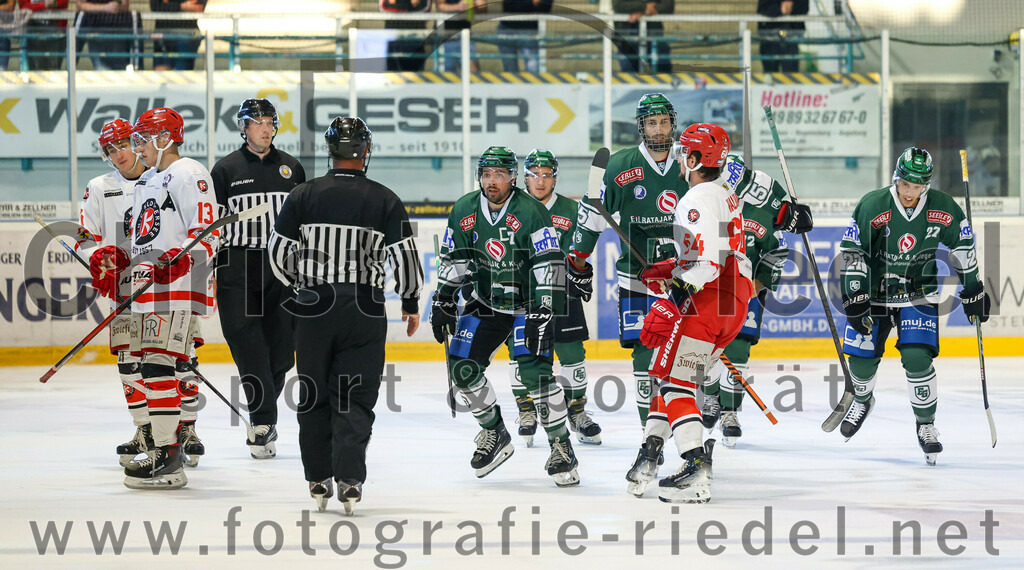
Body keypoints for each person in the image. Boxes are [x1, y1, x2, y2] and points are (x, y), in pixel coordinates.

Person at [268, 117, 424, 514]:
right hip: (365, 306)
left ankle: (317, 477)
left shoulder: (303, 195)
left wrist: (300, 287)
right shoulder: (384, 198)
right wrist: (409, 302)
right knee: (355, 395)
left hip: (314, 305)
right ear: (366, 151)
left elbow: (276, 255)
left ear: (330, 150)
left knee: (314, 392)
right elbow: (406, 259)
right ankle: (350, 479)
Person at [430, 146, 576, 486]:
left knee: (536, 376)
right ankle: (494, 431)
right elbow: (454, 257)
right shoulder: (465, 209)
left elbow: (549, 261)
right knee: (462, 369)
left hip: (528, 305)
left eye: (499, 174)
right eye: (486, 174)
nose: (492, 181)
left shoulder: (533, 211)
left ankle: (561, 445)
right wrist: (444, 299)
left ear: (513, 177)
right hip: (486, 301)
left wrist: (544, 308)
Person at [838, 147, 990, 466]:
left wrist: (973, 288)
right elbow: (853, 251)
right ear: (896, 178)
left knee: (917, 358)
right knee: (861, 363)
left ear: (927, 185)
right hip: (875, 293)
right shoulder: (873, 204)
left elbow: (963, 245)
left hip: (918, 293)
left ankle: (926, 426)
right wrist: (854, 296)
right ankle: (863, 400)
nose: (909, 192)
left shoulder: (943, 208)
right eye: (905, 184)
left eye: (916, 186)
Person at [627, 123, 753, 504]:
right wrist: (672, 268)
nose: (681, 157)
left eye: (685, 152)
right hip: (734, 302)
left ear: (697, 159)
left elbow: (708, 261)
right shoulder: (725, 195)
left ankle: (695, 464)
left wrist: (675, 293)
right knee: (672, 373)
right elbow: (715, 252)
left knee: (674, 385)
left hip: (709, 299)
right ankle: (650, 453)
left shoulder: (694, 197)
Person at [124, 107, 218, 489]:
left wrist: (177, 264)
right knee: (152, 366)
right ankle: (168, 450)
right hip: (149, 290)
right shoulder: (149, 179)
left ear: (164, 138)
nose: (138, 148)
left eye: (143, 139)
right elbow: (146, 237)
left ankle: (167, 459)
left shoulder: (189, 173)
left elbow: (208, 234)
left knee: (159, 366)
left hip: (174, 290)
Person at [211, 98, 306, 460]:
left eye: (270, 122)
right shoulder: (225, 170)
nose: (265, 128)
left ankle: (262, 411)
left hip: (283, 265)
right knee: (247, 342)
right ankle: (263, 420)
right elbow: (213, 225)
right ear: (244, 127)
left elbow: (304, 220)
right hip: (240, 264)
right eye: (257, 122)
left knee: (282, 351)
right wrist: (210, 271)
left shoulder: (291, 168)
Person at [699, 155, 793, 448]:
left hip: (745, 286)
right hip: (707, 285)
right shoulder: (700, 199)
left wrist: (760, 282)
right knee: (706, 347)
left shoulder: (762, 206)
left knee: (738, 348)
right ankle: (711, 395)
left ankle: (730, 411)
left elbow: (778, 248)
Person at [508, 149, 601, 447]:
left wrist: (581, 270)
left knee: (572, 354)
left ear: (555, 178)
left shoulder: (571, 210)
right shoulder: (513, 207)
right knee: (521, 354)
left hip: (562, 292)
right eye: (534, 174)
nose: (540, 180)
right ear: (525, 177)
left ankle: (576, 411)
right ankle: (527, 410)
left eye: (546, 175)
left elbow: (581, 249)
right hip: (523, 294)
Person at [79, 119, 151, 467]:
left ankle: (184, 429)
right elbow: (84, 237)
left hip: (163, 284)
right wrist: (97, 259)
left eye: (122, 145)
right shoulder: (98, 186)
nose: (118, 155)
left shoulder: (161, 177)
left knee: (175, 360)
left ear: (135, 142)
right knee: (128, 361)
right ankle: (144, 429)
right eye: (110, 150)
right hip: (121, 289)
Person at [74, 0, 141, 71]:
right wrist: (104, 8)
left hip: (116, 26)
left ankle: (138, 68)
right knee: (80, 18)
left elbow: (125, 6)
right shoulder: (84, 17)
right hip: (94, 26)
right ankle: (71, 66)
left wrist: (115, 7)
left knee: (134, 16)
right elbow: (80, 5)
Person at [612, 0, 673, 73]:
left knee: (663, 71)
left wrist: (643, 11)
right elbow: (618, 5)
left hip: (653, 37)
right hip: (627, 37)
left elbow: (668, 6)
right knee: (629, 74)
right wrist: (645, 7)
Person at [497, 0, 552, 73]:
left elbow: (544, 9)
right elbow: (509, 6)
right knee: (510, 69)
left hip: (530, 31)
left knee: (533, 67)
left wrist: (523, 6)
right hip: (507, 29)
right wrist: (531, 3)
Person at [150, 0, 205, 71]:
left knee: (182, 74)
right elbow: (156, 7)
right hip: (162, 36)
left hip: (187, 36)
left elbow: (198, 8)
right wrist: (182, 6)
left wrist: (170, 5)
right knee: (161, 75)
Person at [757, 0, 808, 73]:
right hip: (770, 37)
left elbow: (804, 7)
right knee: (770, 73)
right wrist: (780, 9)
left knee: (790, 74)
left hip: (789, 37)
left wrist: (792, 6)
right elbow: (762, 9)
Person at [435, 0, 486, 73]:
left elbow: (483, 9)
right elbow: (439, 6)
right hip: (447, 37)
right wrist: (457, 7)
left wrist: (479, 5)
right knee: (447, 73)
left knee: (473, 69)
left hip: (465, 35)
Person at [380, 0, 430, 72]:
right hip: (393, 36)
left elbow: (423, 6)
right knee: (393, 75)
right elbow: (385, 6)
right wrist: (409, 5)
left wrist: (398, 4)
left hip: (415, 37)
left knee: (415, 75)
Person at [20, 0, 69, 71]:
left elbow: (60, 2)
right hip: (33, 28)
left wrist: (41, 5)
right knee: (35, 68)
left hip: (56, 29)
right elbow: (24, 7)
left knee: (54, 67)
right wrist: (44, 4)